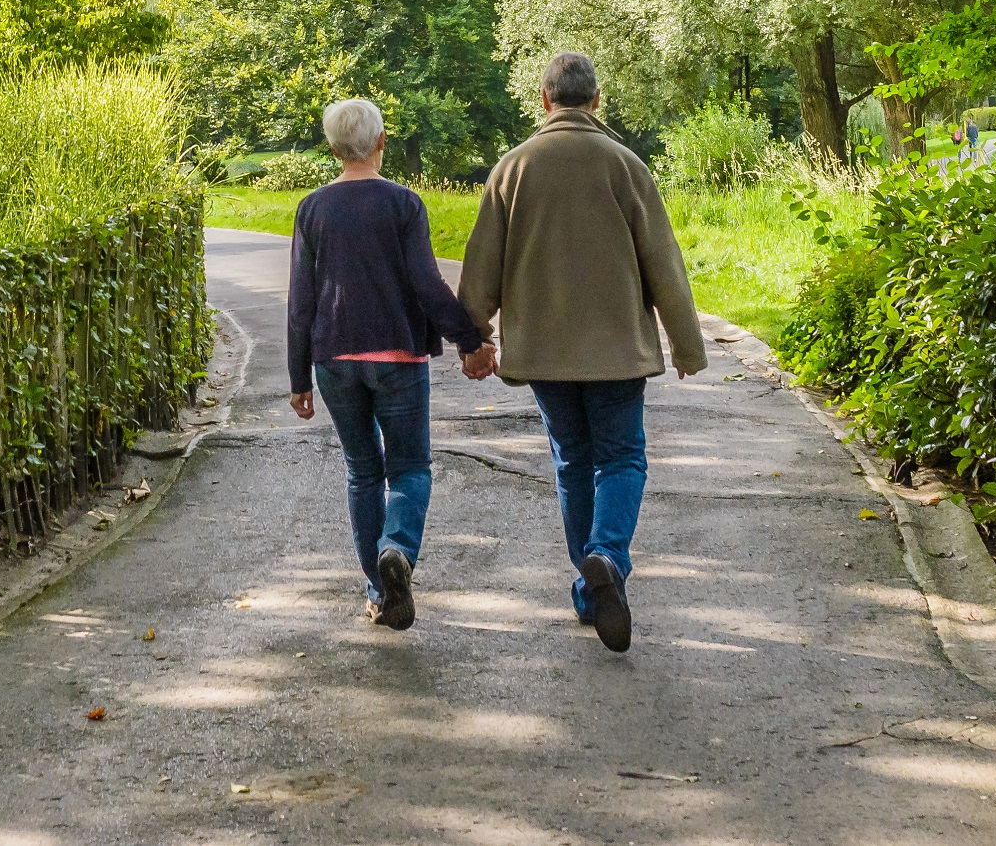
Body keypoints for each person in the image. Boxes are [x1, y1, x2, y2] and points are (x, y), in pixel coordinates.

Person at [459, 51, 705, 653]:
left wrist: (474, 338)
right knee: (621, 458)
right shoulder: (625, 165)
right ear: (596, 101)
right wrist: (686, 344)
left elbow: (480, 266)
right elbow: (663, 262)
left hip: (545, 354)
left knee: (573, 462)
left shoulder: (512, 169)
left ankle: (591, 585)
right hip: (618, 349)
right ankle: (606, 558)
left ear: (544, 101)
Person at [286, 97, 492, 630]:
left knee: (361, 472)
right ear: (381, 143)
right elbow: (427, 284)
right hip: (398, 358)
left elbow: (301, 300)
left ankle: (379, 593)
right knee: (409, 467)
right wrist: (470, 340)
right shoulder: (404, 204)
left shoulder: (311, 208)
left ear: (332, 149)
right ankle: (396, 547)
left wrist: (297, 378)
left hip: (333, 360)